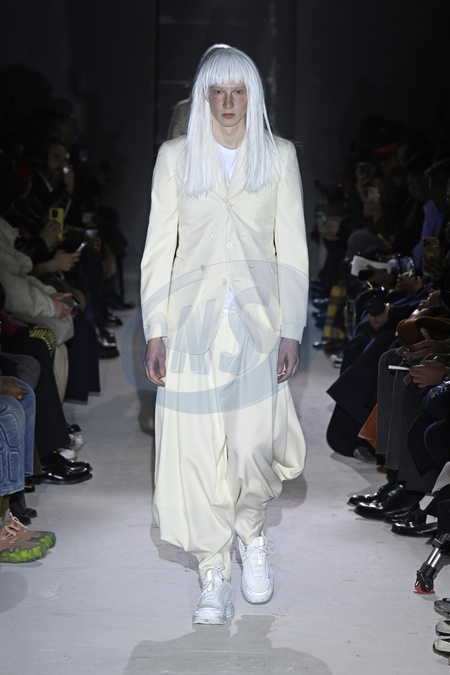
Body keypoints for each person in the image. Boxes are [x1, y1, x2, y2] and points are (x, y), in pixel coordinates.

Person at [141, 47, 308, 624]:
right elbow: (158, 250)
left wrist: (291, 330)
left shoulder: (279, 157)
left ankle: (252, 535)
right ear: (204, 96)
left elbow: (293, 249)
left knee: (252, 446)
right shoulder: (176, 158)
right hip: (190, 327)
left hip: (257, 328)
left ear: (252, 95)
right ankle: (212, 572)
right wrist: (155, 330)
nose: (229, 102)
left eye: (239, 91)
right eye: (219, 91)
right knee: (194, 454)